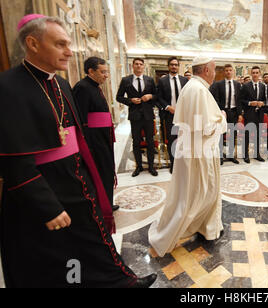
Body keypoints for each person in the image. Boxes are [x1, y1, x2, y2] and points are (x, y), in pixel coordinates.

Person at [0, 14, 156, 288]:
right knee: (53, 254)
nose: (69, 52)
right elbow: (14, 161)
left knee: (92, 238)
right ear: (33, 43)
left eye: (68, 44)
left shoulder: (60, 84)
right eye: (60, 44)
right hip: (43, 189)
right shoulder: (7, 87)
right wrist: (46, 206)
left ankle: (121, 282)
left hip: (75, 179)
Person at [148, 57, 227, 257]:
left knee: (192, 192)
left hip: (191, 149)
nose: (214, 72)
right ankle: (197, 227)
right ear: (207, 69)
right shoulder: (199, 90)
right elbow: (206, 128)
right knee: (201, 192)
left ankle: (205, 226)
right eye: (214, 68)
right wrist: (223, 120)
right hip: (199, 152)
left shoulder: (191, 86)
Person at [73, 57, 119, 212]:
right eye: (103, 71)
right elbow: (81, 119)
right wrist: (88, 145)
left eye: (106, 71)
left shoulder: (95, 86)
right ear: (91, 71)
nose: (106, 75)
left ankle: (107, 201)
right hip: (94, 140)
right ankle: (101, 204)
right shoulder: (83, 87)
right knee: (101, 171)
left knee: (107, 170)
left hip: (102, 136)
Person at [116, 58, 159, 177]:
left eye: (141, 64)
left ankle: (151, 166)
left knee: (150, 142)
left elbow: (156, 95)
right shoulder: (126, 80)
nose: (139, 66)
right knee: (136, 142)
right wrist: (130, 100)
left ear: (143, 66)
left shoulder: (149, 80)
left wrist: (150, 96)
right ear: (132, 66)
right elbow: (119, 97)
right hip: (135, 116)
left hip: (148, 116)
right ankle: (138, 167)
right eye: (137, 64)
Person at [157, 57, 188, 173]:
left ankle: (183, 163)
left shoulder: (184, 80)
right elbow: (159, 97)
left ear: (178, 66)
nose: (174, 66)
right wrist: (168, 107)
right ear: (168, 66)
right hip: (170, 115)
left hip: (183, 116)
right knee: (172, 140)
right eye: (171, 64)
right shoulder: (162, 81)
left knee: (183, 139)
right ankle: (173, 164)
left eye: (176, 65)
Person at [210, 64, 242, 165]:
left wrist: (240, 113)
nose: (228, 72)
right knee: (220, 134)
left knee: (232, 134)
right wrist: (221, 110)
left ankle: (231, 155)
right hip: (222, 113)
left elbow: (239, 100)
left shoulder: (237, 84)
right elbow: (215, 99)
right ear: (224, 72)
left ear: (233, 72)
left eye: (230, 70)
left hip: (233, 112)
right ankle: (219, 156)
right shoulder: (218, 84)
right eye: (226, 70)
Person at [239, 66, 266, 163]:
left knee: (258, 135)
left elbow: (265, 100)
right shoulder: (246, 86)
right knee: (247, 134)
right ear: (251, 74)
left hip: (259, 114)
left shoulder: (263, 86)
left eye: (257, 72)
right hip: (249, 113)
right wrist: (250, 103)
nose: (255, 74)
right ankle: (245, 155)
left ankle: (256, 154)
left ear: (259, 74)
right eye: (253, 73)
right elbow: (241, 100)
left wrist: (262, 103)